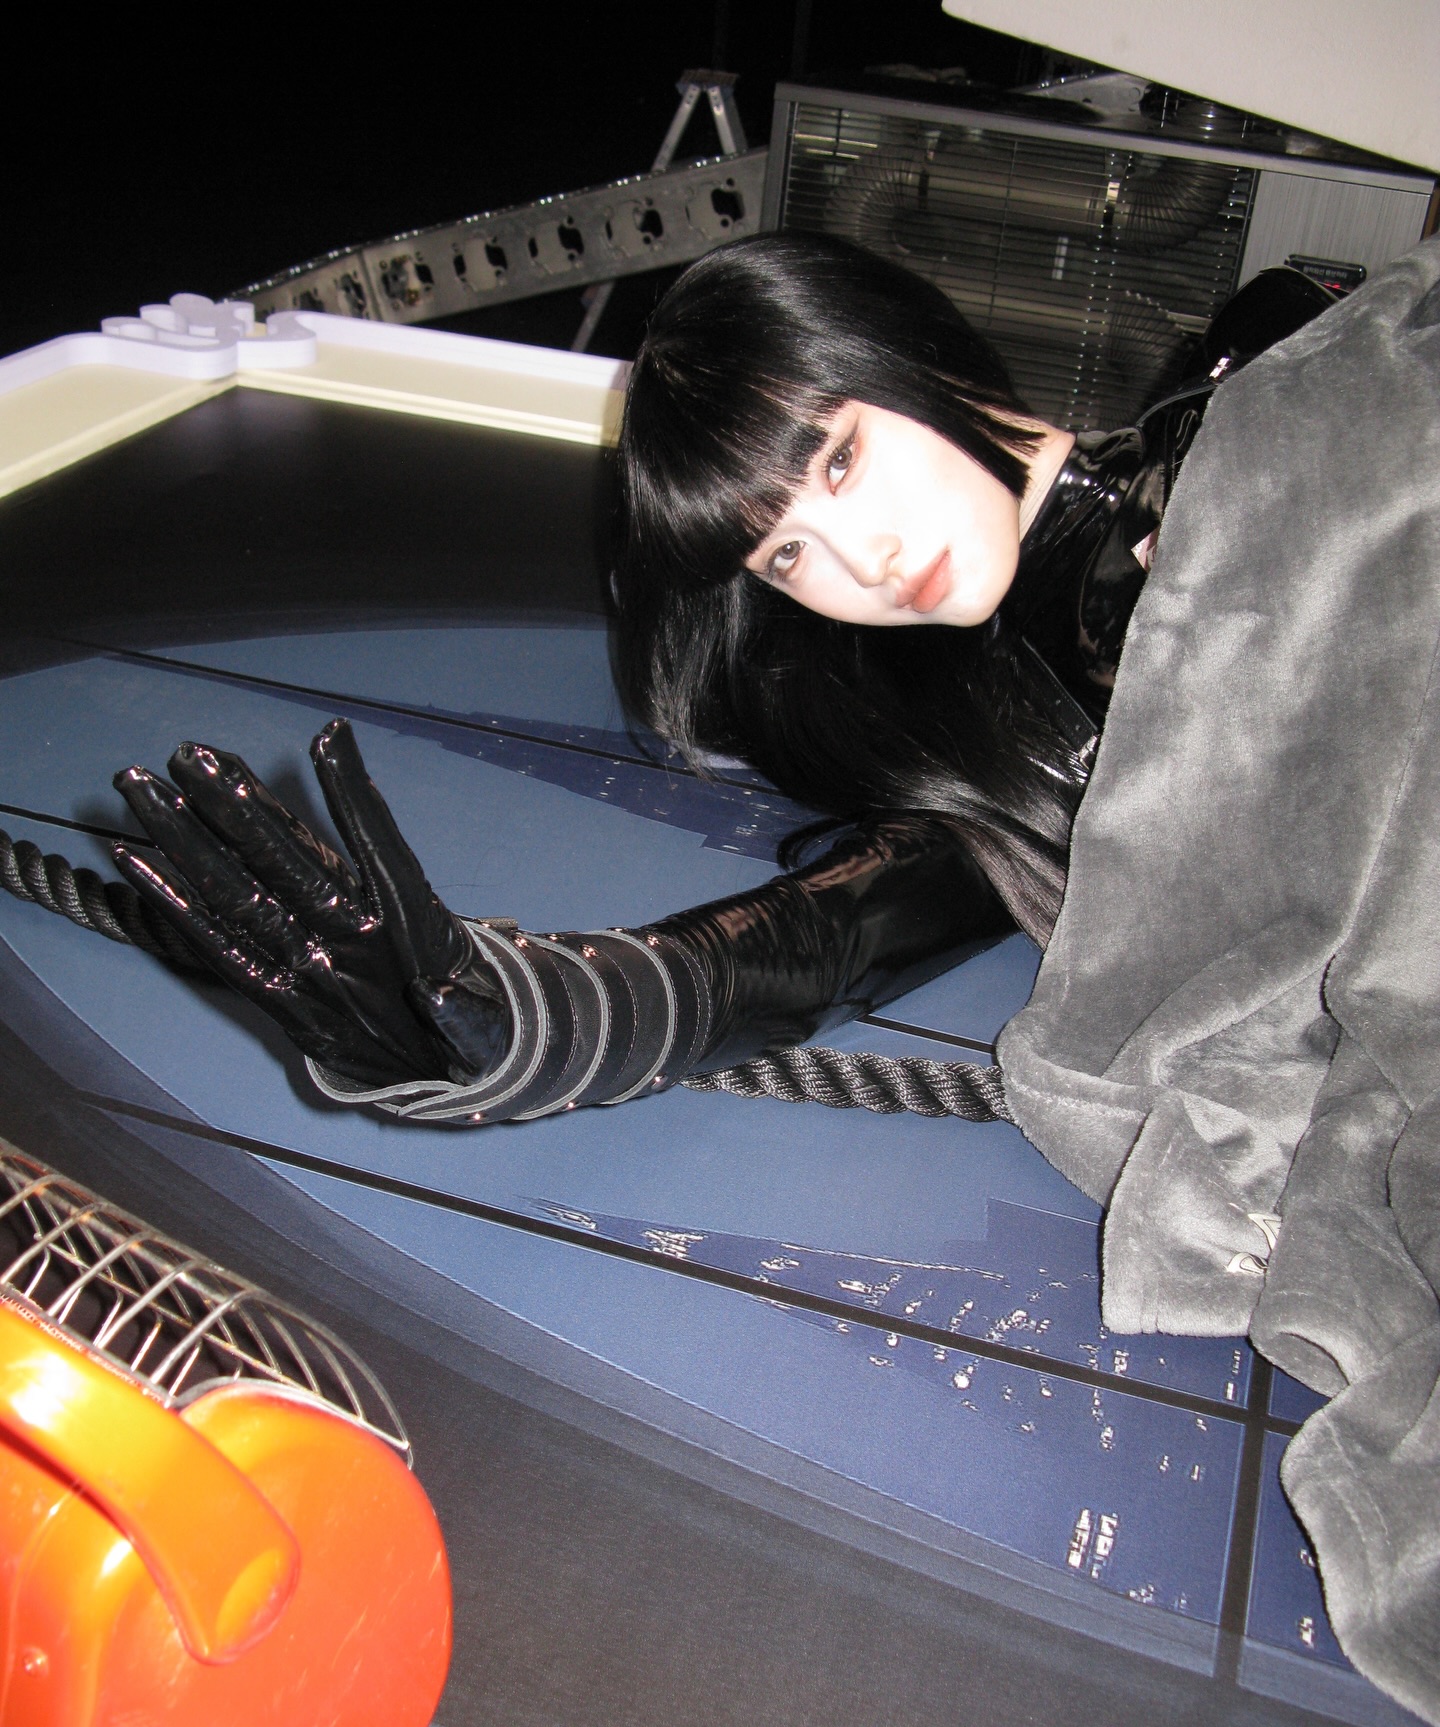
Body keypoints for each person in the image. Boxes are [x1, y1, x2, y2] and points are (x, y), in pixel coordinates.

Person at [100, 235, 1332, 1125]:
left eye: (840, 460)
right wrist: (546, 1020)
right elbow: (822, 936)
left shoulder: (1240, 420)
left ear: (904, 350)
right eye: (787, 553)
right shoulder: (974, 752)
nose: (864, 561)